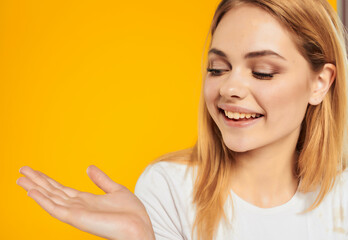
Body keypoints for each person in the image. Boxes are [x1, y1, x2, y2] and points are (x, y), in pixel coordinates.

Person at [17, 0, 348, 239]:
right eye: (217, 69)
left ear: (320, 83)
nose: (229, 87)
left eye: (262, 72)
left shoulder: (342, 195)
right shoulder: (169, 188)